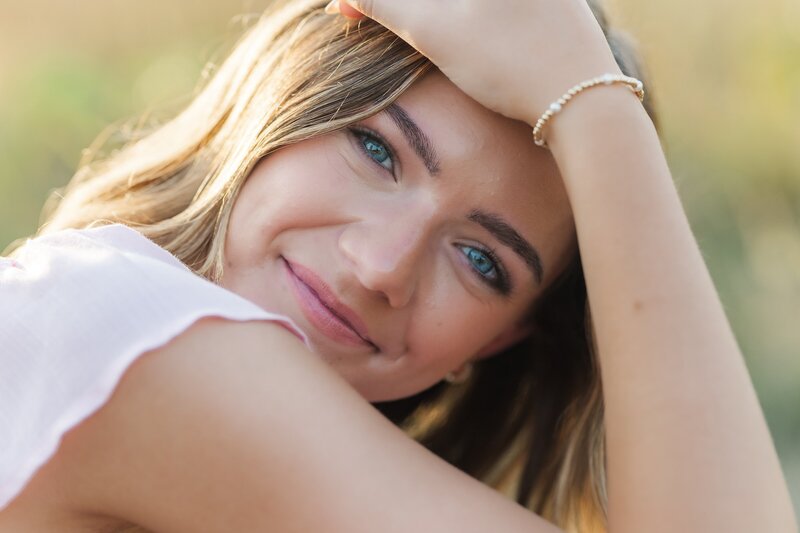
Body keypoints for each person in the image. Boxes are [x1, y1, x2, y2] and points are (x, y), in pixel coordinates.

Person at [0, 0, 795, 531]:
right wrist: (597, 111)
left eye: (482, 261)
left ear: (497, 342)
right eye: (377, 149)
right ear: (283, 99)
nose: (383, 265)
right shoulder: (128, 330)